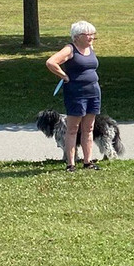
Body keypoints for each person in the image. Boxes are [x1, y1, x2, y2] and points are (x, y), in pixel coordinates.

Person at [46, 20, 102, 172]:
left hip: (93, 92)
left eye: (93, 34)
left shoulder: (90, 47)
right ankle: (71, 164)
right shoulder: (70, 49)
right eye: (88, 34)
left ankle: (88, 161)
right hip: (76, 94)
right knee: (73, 129)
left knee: (89, 128)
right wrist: (64, 76)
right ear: (77, 36)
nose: (91, 37)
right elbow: (51, 62)